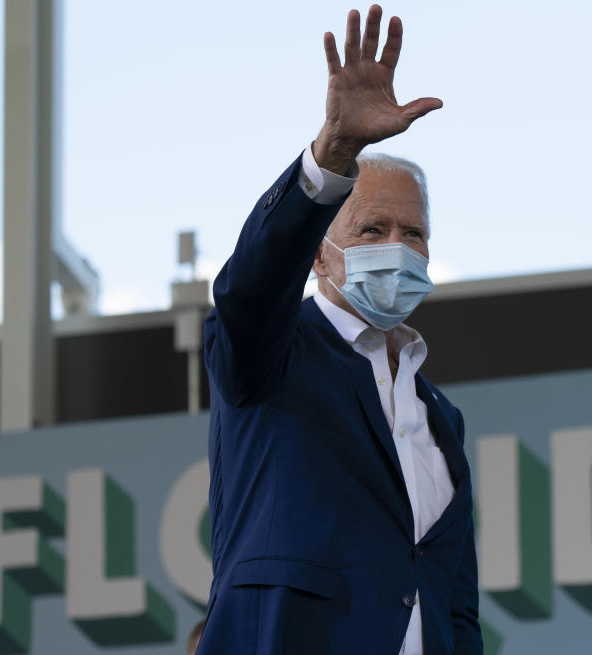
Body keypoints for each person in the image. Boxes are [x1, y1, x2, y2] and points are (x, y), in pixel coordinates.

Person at [196, 5, 481, 655]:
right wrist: (334, 155)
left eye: (413, 233)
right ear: (319, 254)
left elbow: (454, 602)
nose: (397, 246)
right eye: (372, 228)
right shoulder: (271, 353)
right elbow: (247, 289)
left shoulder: (443, 416)